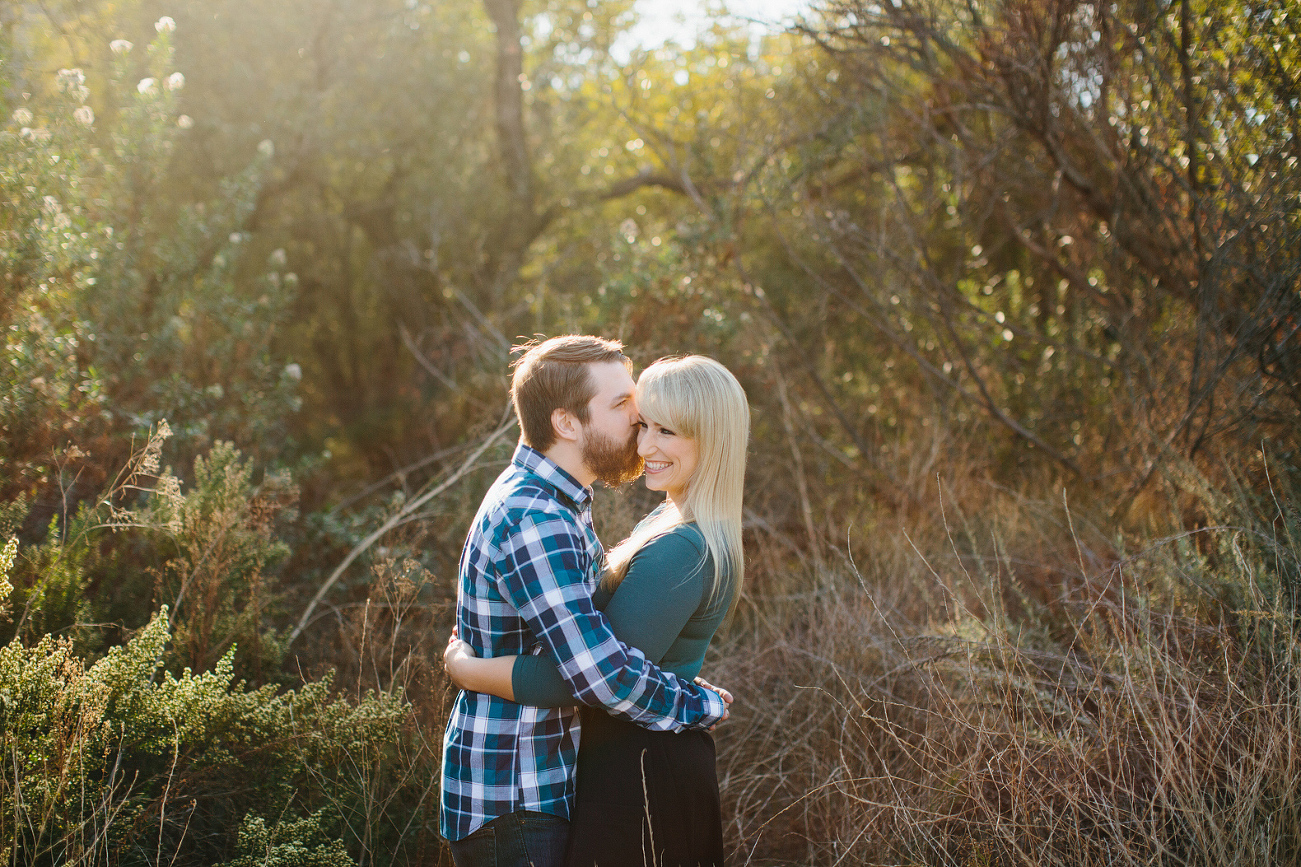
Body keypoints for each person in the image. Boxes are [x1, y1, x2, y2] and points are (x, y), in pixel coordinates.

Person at [446, 355, 749, 867]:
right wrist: (694, 702)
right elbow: (596, 673)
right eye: (633, 413)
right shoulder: (544, 514)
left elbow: (592, 674)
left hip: (625, 769)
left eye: (663, 428)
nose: (641, 435)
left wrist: (467, 670)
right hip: (524, 787)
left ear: (711, 438)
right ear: (567, 422)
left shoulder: (675, 542)